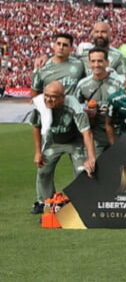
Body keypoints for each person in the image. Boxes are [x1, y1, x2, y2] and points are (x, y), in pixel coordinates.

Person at [29, 81, 96, 214]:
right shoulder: (40, 105)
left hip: (74, 141)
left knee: (82, 171)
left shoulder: (74, 106)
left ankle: (81, 202)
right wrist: (37, 152)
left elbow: (86, 132)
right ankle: (46, 203)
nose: (48, 99)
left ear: (63, 97)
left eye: (53, 96)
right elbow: (36, 127)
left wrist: (91, 157)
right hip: (53, 141)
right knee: (43, 171)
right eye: (46, 95)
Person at [74, 47, 123, 156]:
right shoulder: (82, 85)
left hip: (118, 132)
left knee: (122, 168)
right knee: (96, 168)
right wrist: (86, 112)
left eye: (100, 61)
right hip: (95, 135)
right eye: (93, 61)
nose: (96, 64)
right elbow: (75, 108)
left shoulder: (120, 83)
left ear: (107, 62)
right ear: (88, 63)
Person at [31, 33, 86, 98]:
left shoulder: (79, 64)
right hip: (50, 106)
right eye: (58, 44)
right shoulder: (41, 66)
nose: (61, 47)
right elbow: (35, 95)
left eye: (65, 45)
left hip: (71, 106)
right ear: (54, 46)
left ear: (71, 48)